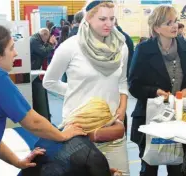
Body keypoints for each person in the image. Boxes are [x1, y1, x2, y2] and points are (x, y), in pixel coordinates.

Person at [0, 24, 86, 176]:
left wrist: (18, 162)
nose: (15, 53)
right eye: (11, 48)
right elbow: (33, 123)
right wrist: (63, 135)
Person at [43, 0, 130, 175]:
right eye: (103, 18)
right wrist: (76, 91)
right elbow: (49, 81)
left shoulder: (121, 47)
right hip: (79, 133)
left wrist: (122, 107)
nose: (109, 24)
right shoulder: (70, 47)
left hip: (111, 129)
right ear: (88, 18)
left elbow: (122, 81)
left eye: (112, 19)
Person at [129, 5, 186, 176]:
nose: (174, 25)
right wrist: (155, 92)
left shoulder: (184, 47)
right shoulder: (144, 50)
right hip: (150, 117)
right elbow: (134, 85)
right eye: (168, 22)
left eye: (175, 21)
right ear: (156, 28)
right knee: (149, 169)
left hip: (180, 118)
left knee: (179, 170)